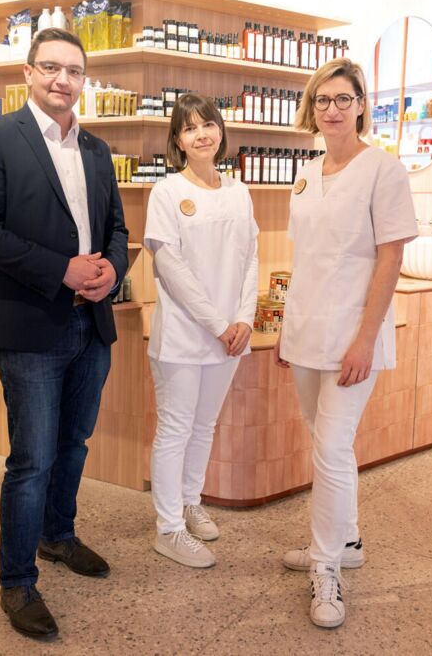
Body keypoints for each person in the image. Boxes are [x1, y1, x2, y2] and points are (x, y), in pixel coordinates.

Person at [0, 28, 128, 640]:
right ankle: (17, 581)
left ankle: (58, 535)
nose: (63, 79)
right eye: (51, 67)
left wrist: (111, 271)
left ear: (85, 80)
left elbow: (116, 229)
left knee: (74, 442)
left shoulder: (97, 150)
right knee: (31, 459)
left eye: (74, 71)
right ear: (29, 72)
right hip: (31, 324)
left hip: (91, 322)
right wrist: (63, 270)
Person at [275, 58, 418, 628]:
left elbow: (390, 258)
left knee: (331, 448)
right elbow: (306, 261)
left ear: (361, 104)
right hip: (306, 331)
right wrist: (287, 329)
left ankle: (326, 565)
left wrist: (364, 339)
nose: (331, 109)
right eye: (322, 100)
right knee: (325, 441)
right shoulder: (306, 173)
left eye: (342, 99)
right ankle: (347, 540)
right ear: (311, 109)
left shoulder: (384, 170)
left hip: (353, 337)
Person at [144, 94, 259, 568]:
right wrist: (219, 323)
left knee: (204, 425)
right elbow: (170, 267)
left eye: (208, 124)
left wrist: (245, 319)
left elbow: (250, 259)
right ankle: (168, 528)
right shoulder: (167, 192)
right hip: (184, 336)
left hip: (229, 336)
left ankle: (191, 502)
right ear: (178, 140)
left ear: (220, 131)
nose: (201, 134)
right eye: (189, 128)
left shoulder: (238, 191)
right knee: (175, 428)